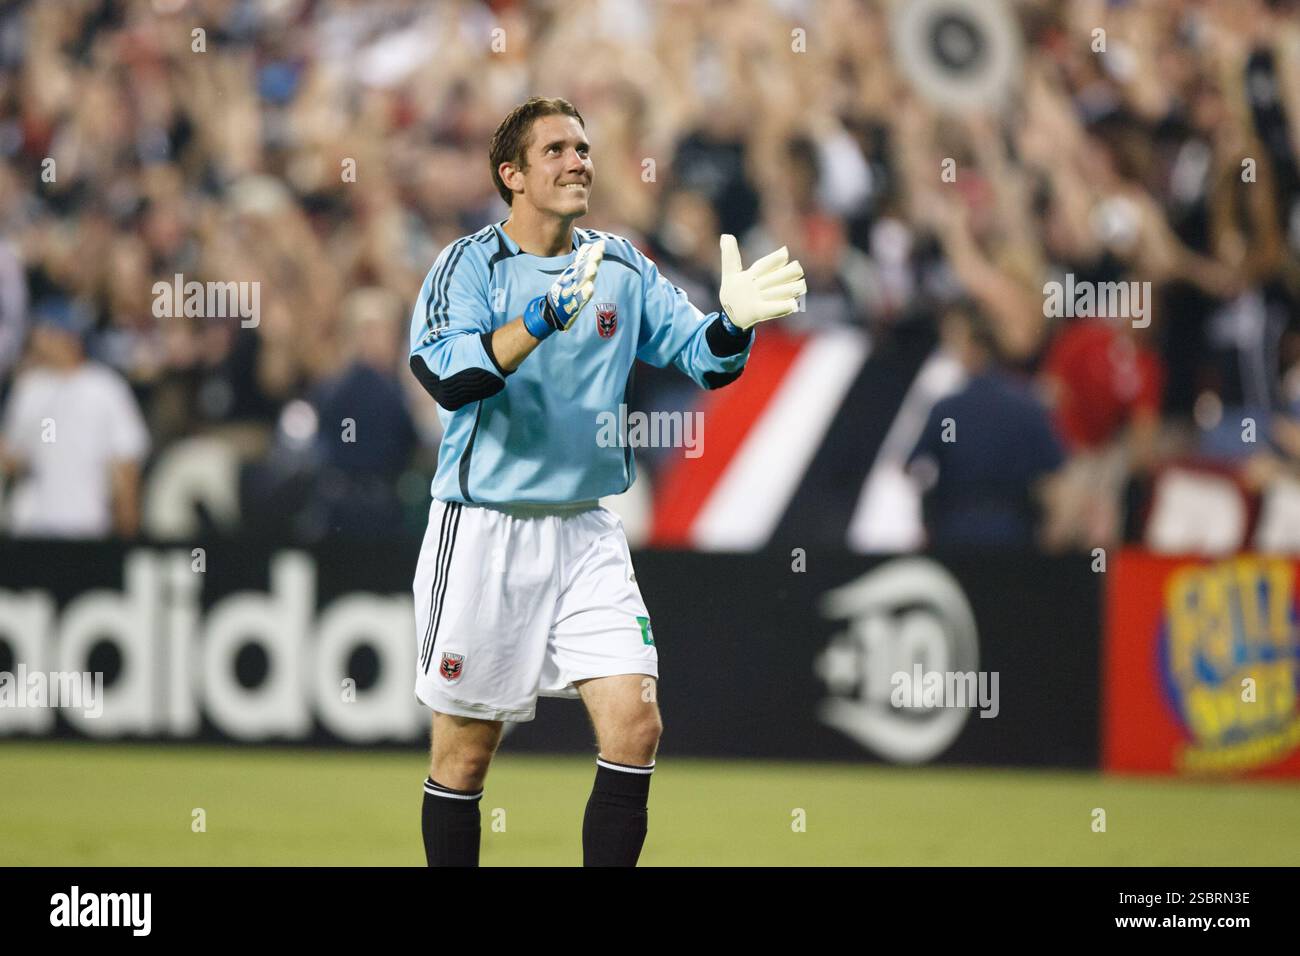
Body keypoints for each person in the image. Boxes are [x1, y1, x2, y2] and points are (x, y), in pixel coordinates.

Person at [407, 96, 805, 867]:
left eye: (583, 148)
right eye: (554, 149)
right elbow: (449, 378)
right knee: (463, 756)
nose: (577, 160)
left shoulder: (619, 265)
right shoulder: (467, 266)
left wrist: (734, 324)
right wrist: (542, 319)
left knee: (636, 723)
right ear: (511, 175)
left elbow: (702, 358)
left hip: (586, 528)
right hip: (485, 526)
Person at [0, 297, 149, 539]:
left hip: (88, 525)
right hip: (32, 528)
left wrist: (127, 532)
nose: (39, 339)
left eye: (47, 331)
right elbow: (14, 457)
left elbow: (126, 461)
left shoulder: (105, 387)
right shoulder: (29, 388)